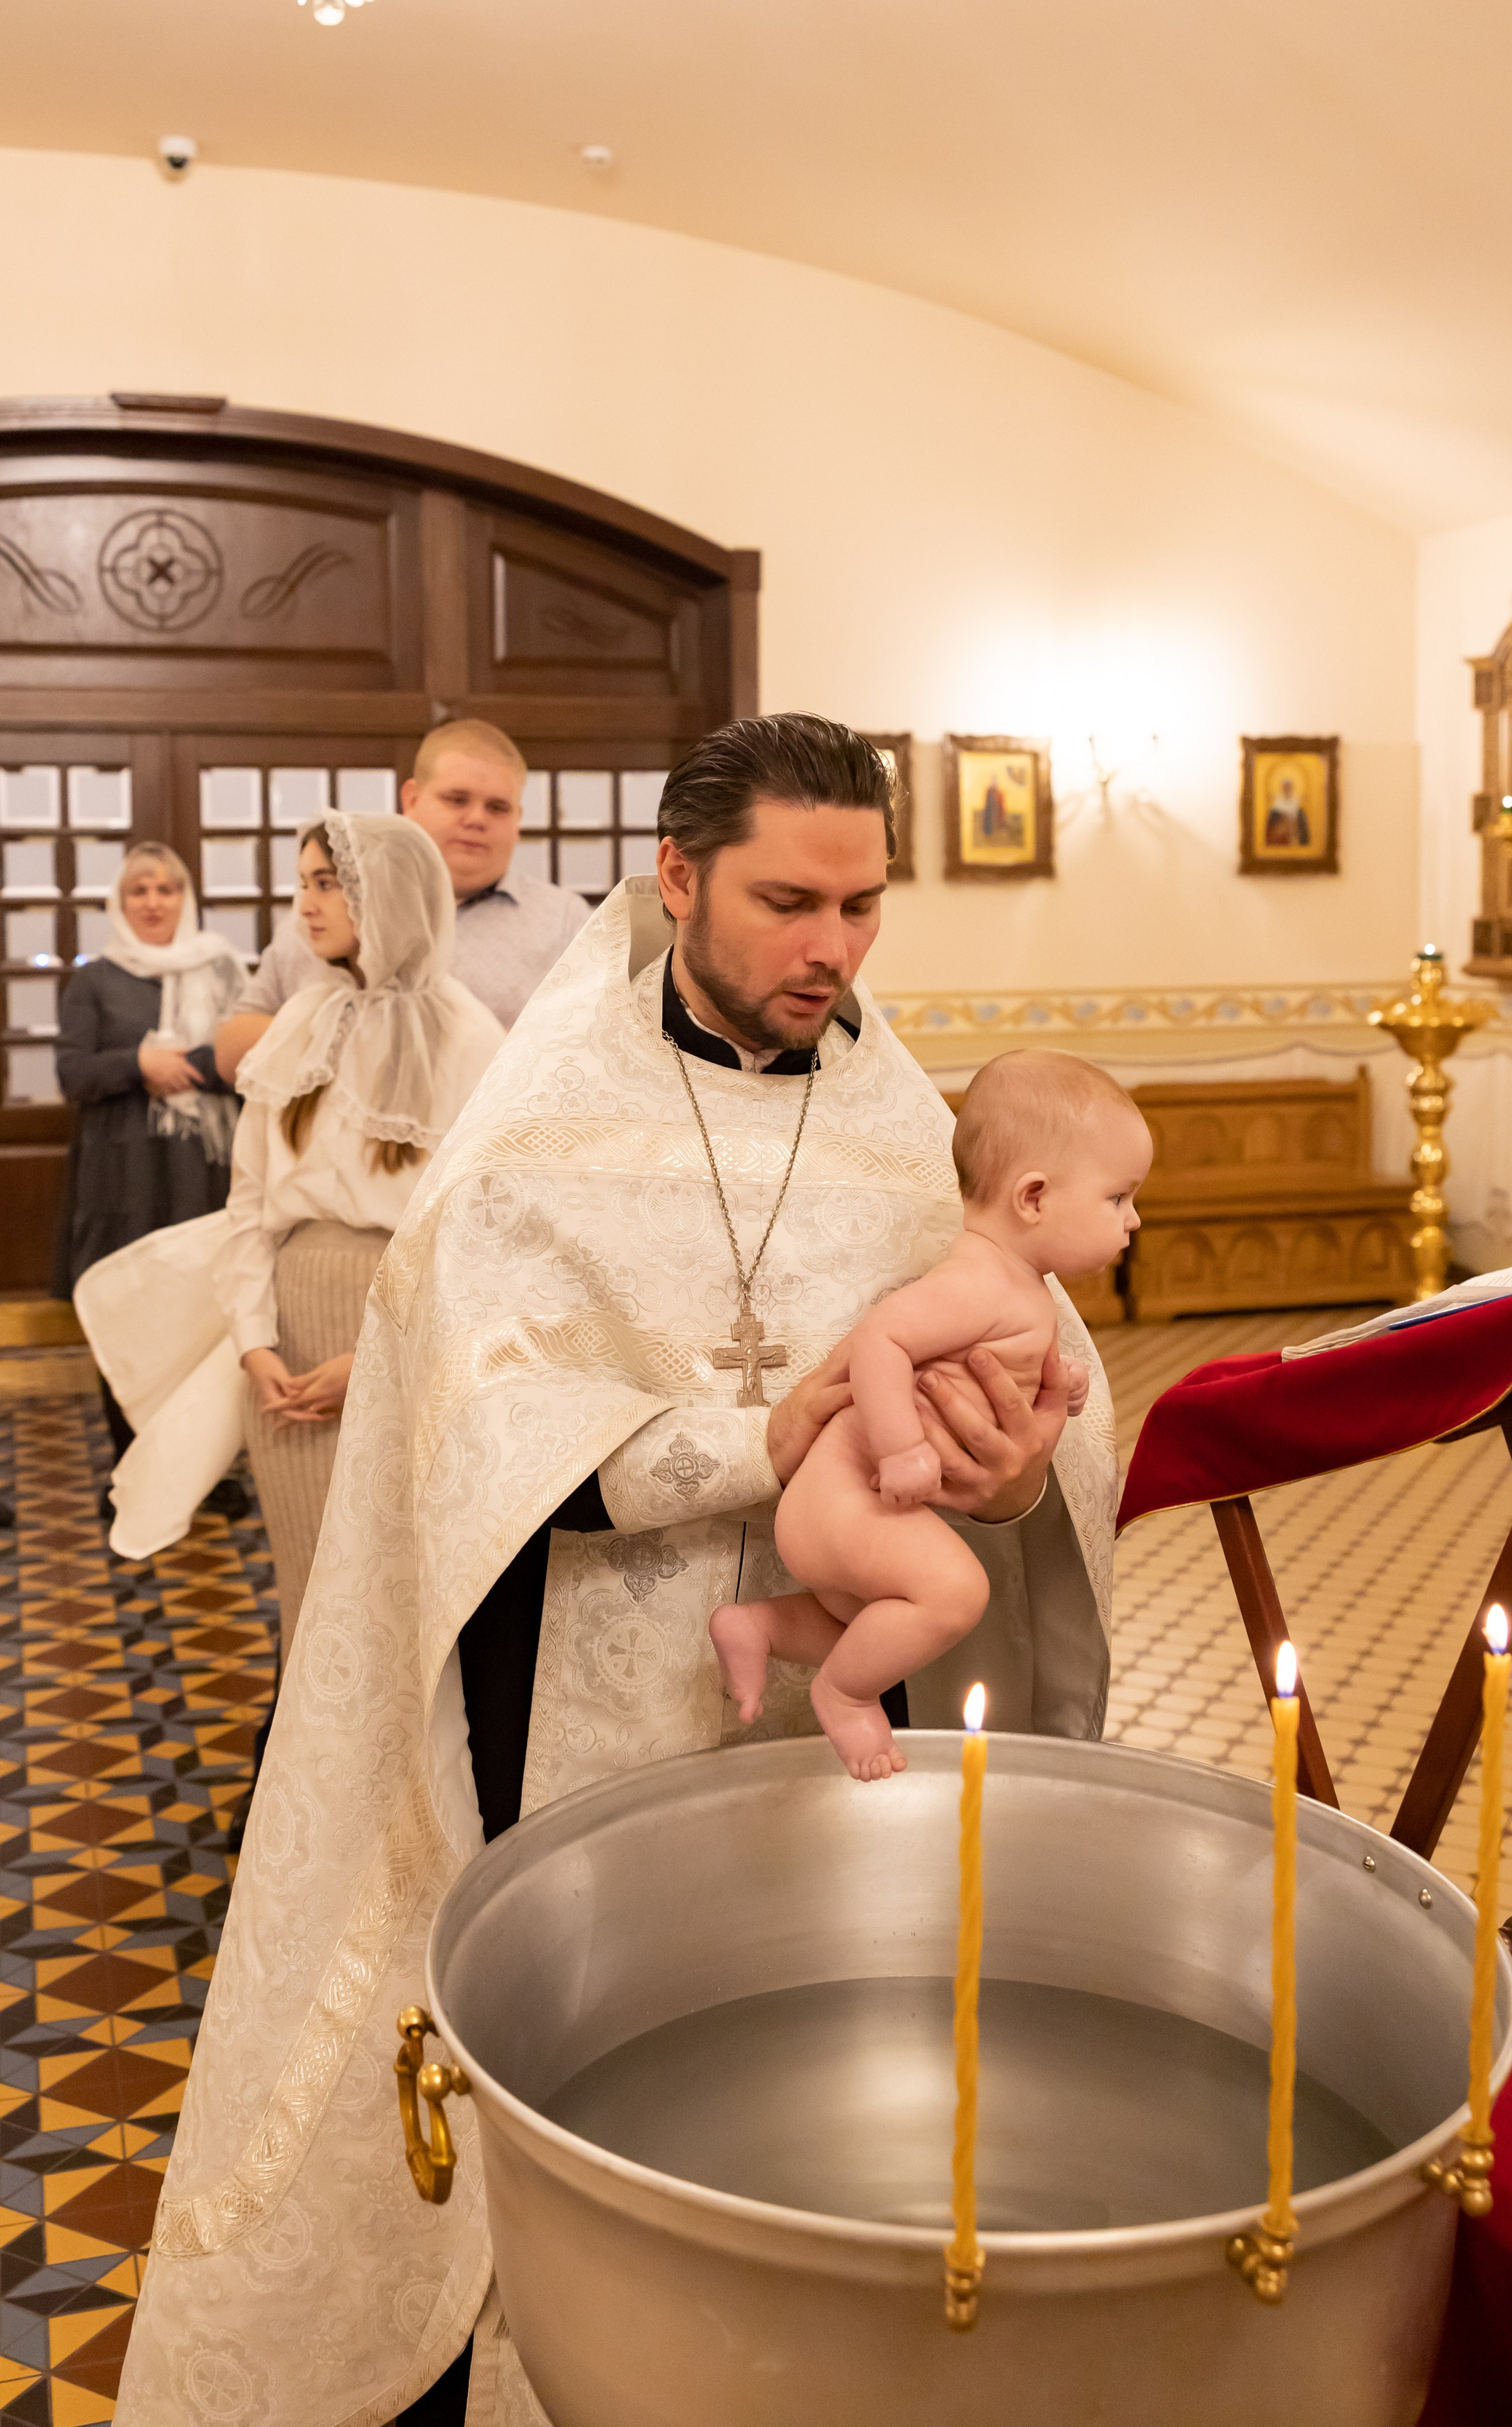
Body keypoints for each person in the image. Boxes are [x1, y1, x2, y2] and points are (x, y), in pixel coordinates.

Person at [113, 715, 1117, 2427]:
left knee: (802, 2103)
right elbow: (474, 1420)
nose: (836, 949)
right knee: (595, 2106)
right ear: (675, 879)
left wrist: (1022, 1478)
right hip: (578, 1696)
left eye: (867, 906)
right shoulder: (545, 1118)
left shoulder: (902, 1121)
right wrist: (755, 1443)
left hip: (830, 1714)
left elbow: (1033, 1416)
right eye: (792, 902)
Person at [713, 1052, 1151, 1780]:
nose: (1133, 1219)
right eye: (1118, 1199)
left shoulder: (1012, 1281)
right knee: (953, 1593)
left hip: (840, 1506)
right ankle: (847, 1697)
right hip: (843, 1492)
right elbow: (882, 1340)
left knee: (872, 1619)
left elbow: (979, 1359)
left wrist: (1057, 1381)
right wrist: (900, 1449)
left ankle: (757, 1625)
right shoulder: (979, 1281)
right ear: (1033, 1197)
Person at [218, 812, 505, 1653]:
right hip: (293, 1334)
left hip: (409, 1323)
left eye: (328, 881)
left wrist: (382, 1357)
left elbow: (480, 1233)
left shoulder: (466, 1034)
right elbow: (246, 1205)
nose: (307, 904)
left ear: (391, 894)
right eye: (303, 881)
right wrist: (253, 1343)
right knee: (305, 1587)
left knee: (401, 1590)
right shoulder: (300, 1021)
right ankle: (300, 1778)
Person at [213, 719, 590, 1080]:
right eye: (457, 800)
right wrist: (359, 1035)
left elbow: (605, 1048)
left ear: (518, 819)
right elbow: (231, 1052)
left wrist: (487, 1048)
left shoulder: (565, 921)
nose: (476, 819)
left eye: (498, 807)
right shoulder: (325, 915)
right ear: (411, 799)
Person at [52, 842, 245, 1501]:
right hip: (124, 1180)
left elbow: (254, 1063)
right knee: (131, 1313)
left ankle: (201, 1478)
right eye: (140, 890)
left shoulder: (222, 970)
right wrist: (139, 1066)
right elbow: (73, 1073)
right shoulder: (95, 980)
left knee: (202, 1321)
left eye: (167, 889)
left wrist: (189, 1063)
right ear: (120, 901)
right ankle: (131, 1481)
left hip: (205, 1175)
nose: (155, 902)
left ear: (185, 899)